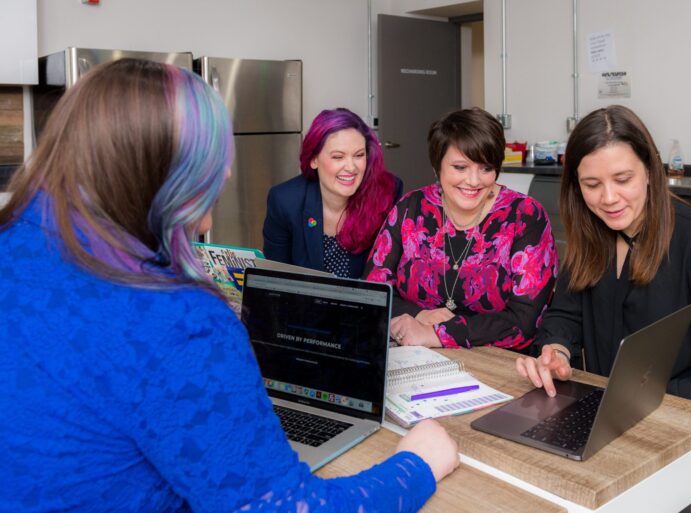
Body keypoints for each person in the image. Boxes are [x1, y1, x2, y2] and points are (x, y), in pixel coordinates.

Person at [0, 59, 458, 512]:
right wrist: (416, 463)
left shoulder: (14, 241)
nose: (227, 175)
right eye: (215, 159)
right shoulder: (177, 318)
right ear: (167, 172)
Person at [515, 105, 691, 477]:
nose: (609, 198)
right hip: (613, 420)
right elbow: (565, 314)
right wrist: (556, 350)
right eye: (592, 185)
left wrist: (626, 396)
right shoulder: (593, 236)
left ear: (650, 170)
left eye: (623, 178)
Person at [364, 108, 558, 350]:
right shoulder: (410, 209)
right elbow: (373, 291)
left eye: (485, 168)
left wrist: (438, 334)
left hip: (499, 365)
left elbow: (525, 321)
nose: (474, 181)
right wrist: (420, 315)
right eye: (460, 167)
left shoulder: (525, 216)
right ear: (437, 166)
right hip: (417, 356)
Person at [262, 108, 403, 278]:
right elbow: (274, 278)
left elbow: (394, 273)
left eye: (359, 155)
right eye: (338, 157)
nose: (351, 167)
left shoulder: (387, 191)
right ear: (314, 159)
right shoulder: (285, 201)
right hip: (303, 303)